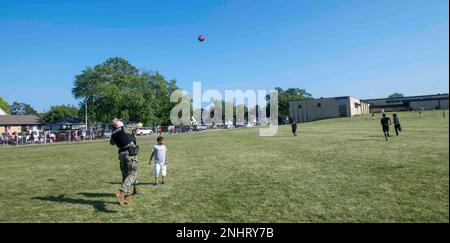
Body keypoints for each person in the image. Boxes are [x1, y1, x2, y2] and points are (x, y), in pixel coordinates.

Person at [110, 119, 140, 206]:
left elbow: (111, 143)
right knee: (134, 172)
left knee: (125, 175)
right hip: (129, 153)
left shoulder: (113, 134)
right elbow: (138, 125)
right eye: (119, 120)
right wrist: (139, 124)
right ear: (117, 123)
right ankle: (122, 192)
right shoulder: (125, 127)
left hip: (121, 154)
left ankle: (125, 197)